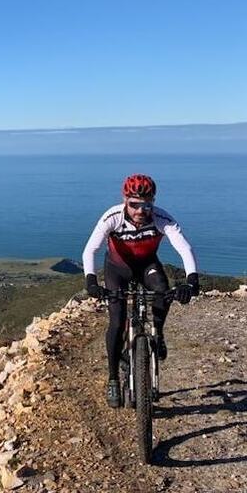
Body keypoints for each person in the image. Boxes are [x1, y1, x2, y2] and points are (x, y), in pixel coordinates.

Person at [82, 174, 199, 408]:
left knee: (163, 292)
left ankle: (158, 333)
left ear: (153, 202)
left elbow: (184, 248)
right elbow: (90, 250)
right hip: (118, 269)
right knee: (116, 322)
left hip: (147, 265)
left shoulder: (161, 218)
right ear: (125, 200)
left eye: (147, 205)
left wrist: (191, 280)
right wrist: (92, 282)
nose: (140, 211)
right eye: (135, 204)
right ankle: (113, 378)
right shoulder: (112, 217)